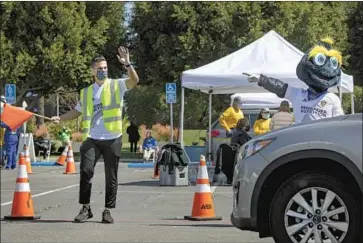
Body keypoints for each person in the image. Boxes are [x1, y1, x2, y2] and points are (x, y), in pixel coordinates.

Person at [51, 46, 139, 224]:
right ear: (93, 71)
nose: (103, 71)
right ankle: (86, 208)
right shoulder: (86, 92)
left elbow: (134, 81)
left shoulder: (117, 85)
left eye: (105, 68)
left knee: (111, 176)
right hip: (92, 138)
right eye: (100, 68)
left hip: (113, 138)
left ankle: (108, 210)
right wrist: (60, 118)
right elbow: (77, 112)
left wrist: (128, 64)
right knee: (85, 171)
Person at [248, 37, 344, 123]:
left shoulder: (333, 99)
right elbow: (279, 87)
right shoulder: (298, 94)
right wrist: (261, 79)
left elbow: (339, 123)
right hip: (299, 139)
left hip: (321, 140)